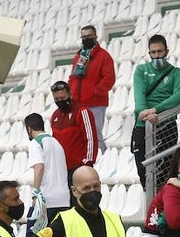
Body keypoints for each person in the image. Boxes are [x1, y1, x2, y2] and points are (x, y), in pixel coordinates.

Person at [131, 34, 180, 186]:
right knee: (144, 173)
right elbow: (139, 97)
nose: (156, 55)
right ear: (149, 53)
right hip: (143, 126)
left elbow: (179, 96)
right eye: (153, 52)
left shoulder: (176, 73)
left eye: (160, 51)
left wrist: (155, 110)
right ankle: (151, 207)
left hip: (166, 126)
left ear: (166, 51)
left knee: (166, 173)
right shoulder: (141, 70)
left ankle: (164, 207)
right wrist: (145, 113)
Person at [69, 25, 116, 153]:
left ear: (95, 36)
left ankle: (102, 161)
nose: (86, 39)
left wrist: (94, 92)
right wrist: (71, 93)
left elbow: (109, 79)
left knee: (96, 135)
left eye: (89, 36)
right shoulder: (79, 56)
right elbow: (72, 77)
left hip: (95, 103)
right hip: (78, 103)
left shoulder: (104, 56)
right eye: (84, 37)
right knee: (81, 136)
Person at [24, 113, 71, 226]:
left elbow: (39, 167)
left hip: (46, 199)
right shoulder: (56, 143)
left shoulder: (35, 143)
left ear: (29, 129)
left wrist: (35, 194)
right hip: (63, 199)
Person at [49, 80, 98, 181]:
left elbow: (91, 139)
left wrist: (87, 163)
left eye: (62, 98)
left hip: (80, 169)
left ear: (70, 94)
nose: (60, 101)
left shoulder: (82, 112)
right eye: (56, 99)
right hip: (62, 170)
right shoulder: (55, 116)